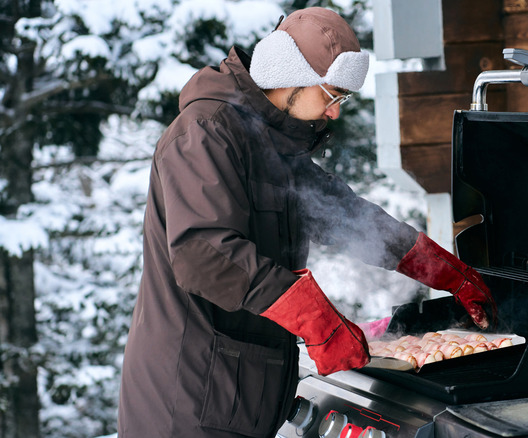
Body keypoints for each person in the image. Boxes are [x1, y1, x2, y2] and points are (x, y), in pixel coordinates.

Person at [117, 7, 495, 438]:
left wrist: (445, 271)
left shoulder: (270, 142)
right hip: (186, 403)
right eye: (333, 95)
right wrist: (317, 319)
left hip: (237, 398)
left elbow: (346, 217)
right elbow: (205, 253)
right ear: (291, 75)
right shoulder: (205, 132)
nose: (334, 113)